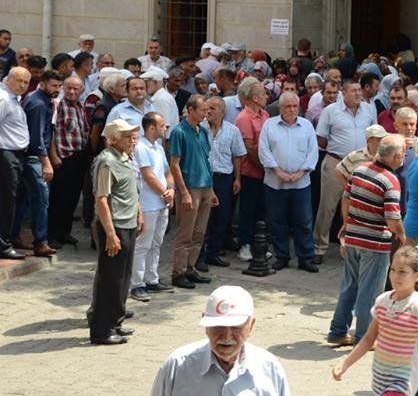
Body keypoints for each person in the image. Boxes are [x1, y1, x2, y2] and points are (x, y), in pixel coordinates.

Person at [332, 246, 418, 395]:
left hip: (403, 380)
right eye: (393, 270)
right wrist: (345, 364)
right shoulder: (382, 301)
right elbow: (368, 339)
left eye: (402, 272)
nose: (395, 276)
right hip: (380, 377)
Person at [328, 134, 405, 346]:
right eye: (403, 154)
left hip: (353, 237)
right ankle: (365, 337)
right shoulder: (390, 181)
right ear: (396, 155)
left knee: (349, 285)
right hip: (375, 242)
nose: (403, 159)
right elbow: (392, 218)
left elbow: (346, 197)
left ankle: (337, 331)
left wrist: (346, 223)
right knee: (370, 291)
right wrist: (401, 234)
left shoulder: (359, 171)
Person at [151, 285, 290, 395]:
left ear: (251, 325)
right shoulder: (178, 366)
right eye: (218, 326)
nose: (226, 337)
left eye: (236, 327)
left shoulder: (269, 368)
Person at [88, 119, 142, 345]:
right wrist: (110, 233)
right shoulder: (106, 161)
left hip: (128, 223)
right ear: (113, 138)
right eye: (127, 136)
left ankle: (115, 321)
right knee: (110, 278)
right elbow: (101, 198)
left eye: (133, 135)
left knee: (123, 277)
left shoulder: (126, 158)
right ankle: (102, 328)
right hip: (115, 225)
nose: (133, 140)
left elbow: (132, 189)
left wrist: (139, 213)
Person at [314, 78, 377, 263]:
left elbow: (374, 136)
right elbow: (321, 138)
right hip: (336, 162)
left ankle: (354, 248)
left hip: (362, 165)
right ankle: (319, 248)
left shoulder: (369, 109)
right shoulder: (330, 111)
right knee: (328, 207)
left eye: (359, 90)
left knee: (359, 208)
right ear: (344, 93)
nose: (358, 93)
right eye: (353, 91)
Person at [258, 92, 320, 272]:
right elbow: (264, 151)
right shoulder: (269, 125)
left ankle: (305, 258)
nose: (292, 109)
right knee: (277, 221)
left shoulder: (307, 126)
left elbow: (313, 152)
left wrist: (300, 172)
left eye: (295, 106)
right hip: (275, 183)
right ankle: (282, 256)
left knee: (304, 221)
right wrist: (278, 171)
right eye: (287, 106)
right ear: (280, 108)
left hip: (301, 183)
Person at [169, 94, 215, 289]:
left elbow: (206, 160)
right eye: (203, 110)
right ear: (191, 109)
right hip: (190, 187)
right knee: (185, 233)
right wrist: (184, 191)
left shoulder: (203, 131)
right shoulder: (179, 131)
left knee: (199, 232)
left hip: (205, 186)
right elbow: (175, 164)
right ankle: (178, 272)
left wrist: (211, 190)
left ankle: (190, 267)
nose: (206, 113)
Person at [14, 69, 62, 256]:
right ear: (42, 84)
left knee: (23, 199)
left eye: (59, 86)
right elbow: (37, 138)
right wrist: (46, 163)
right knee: (42, 199)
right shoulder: (38, 104)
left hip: (30, 157)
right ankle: (41, 241)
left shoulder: (42, 100)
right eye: (53, 85)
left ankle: (14, 234)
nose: (57, 89)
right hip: (34, 158)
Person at [129, 112, 175, 302]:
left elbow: (167, 171)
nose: (165, 129)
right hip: (148, 202)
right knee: (143, 244)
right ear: (151, 127)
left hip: (162, 202)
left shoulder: (158, 147)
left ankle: (151, 278)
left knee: (156, 243)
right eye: (163, 125)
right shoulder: (140, 147)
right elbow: (147, 176)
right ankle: (136, 283)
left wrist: (171, 189)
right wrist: (165, 192)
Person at [200, 96, 246, 269]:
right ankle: (200, 255)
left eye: (213, 108)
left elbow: (237, 156)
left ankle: (214, 253)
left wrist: (237, 178)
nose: (209, 111)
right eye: (207, 108)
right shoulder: (200, 128)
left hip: (224, 178)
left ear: (222, 111)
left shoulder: (232, 130)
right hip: (204, 177)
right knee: (204, 218)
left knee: (221, 217)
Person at [48, 74, 90, 248]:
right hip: (63, 158)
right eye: (69, 88)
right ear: (64, 88)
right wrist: (53, 155)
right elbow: (50, 131)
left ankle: (65, 232)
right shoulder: (58, 105)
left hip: (78, 158)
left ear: (81, 90)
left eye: (76, 88)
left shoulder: (80, 106)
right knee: (59, 199)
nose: (72, 91)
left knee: (72, 198)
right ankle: (53, 235)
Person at [234, 77, 270, 262]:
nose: (266, 96)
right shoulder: (243, 118)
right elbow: (249, 147)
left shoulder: (264, 115)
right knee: (248, 210)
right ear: (254, 98)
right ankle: (244, 244)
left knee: (262, 210)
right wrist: (266, 165)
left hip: (265, 172)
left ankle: (260, 244)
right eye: (263, 93)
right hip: (251, 172)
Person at [0, 67, 30, 259]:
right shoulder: (3, 99)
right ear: (8, 79)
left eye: (26, 82)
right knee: (6, 201)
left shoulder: (13, 98)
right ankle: (3, 245)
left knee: (11, 199)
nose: (23, 86)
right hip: (6, 154)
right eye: (19, 81)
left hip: (15, 154)